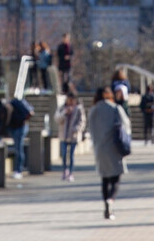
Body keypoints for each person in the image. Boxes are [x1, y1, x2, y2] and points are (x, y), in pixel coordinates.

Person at [87, 86, 130, 220]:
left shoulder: (93, 110)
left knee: (105, 178)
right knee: (116, 177)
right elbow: (126, 125)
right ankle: (111, 199)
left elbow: (90, 129)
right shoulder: (115, 108)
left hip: (100, 148)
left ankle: (106, 202)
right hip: (114, 147)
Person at [0, 96, 33, 179]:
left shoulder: (4, 109)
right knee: (18, 148)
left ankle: (18, 170)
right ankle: (17, 169)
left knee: (18, 148)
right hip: (15, 127)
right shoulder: (0, 111)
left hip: (19, 127)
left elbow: (4, 123)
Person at [55, 90, 85, 182]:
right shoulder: (62, 108)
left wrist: (76, 129)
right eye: (69, 99)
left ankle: (71, 173)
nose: (70, 101)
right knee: (64, 154)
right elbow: (56, 119)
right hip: (63, 135)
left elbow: (82, 121)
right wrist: (65, 113)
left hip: (73, 136)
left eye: (72, 100)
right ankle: (64, 171)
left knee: (71, 155)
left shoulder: (79, 109)